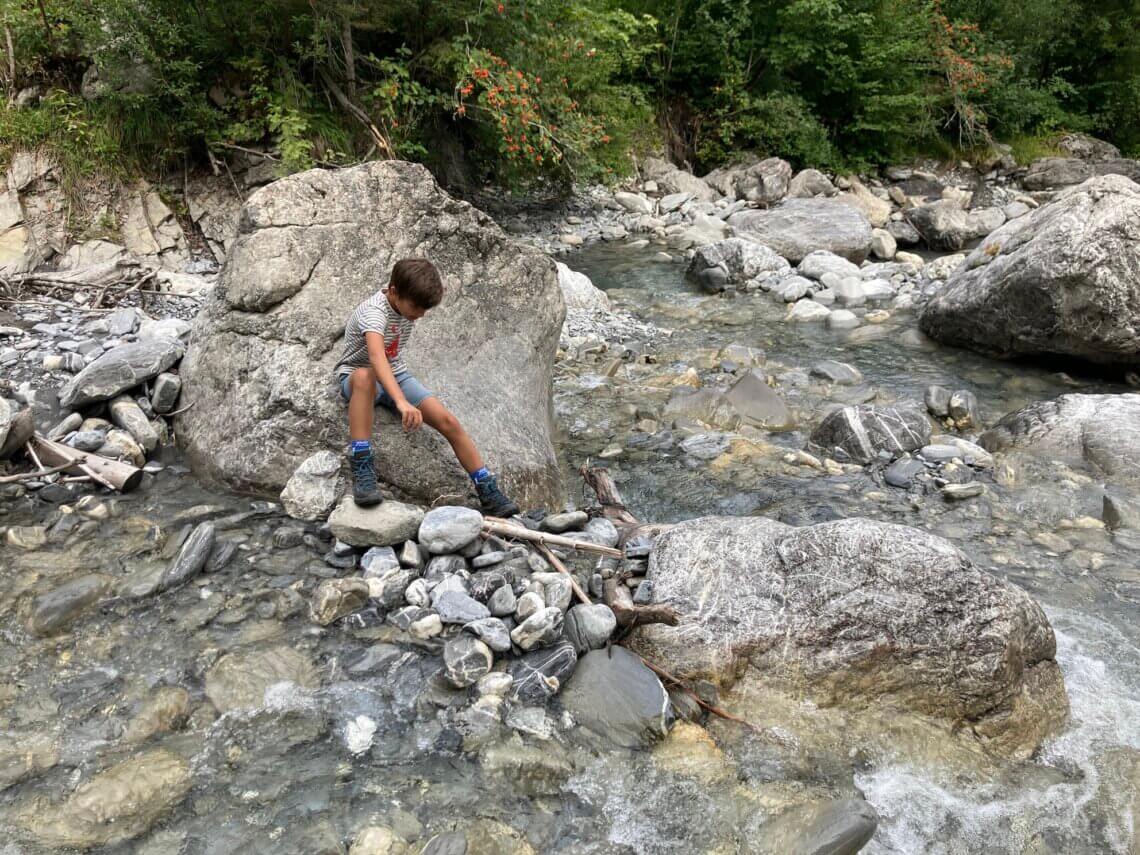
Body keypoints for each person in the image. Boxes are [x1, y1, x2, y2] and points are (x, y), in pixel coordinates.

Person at [334, 258, 520, 516]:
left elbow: (390, 362)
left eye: (424, 310)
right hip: (358, 378)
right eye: (416, 307)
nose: (420, 315)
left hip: (395, 375)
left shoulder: (404, 305)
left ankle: (486, 487)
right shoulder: (373, 312)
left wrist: (402, 394)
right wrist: (400, 401)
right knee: (366, 376)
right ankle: (362, 464)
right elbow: (376, 357)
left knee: (449, 422)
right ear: (394, 292)